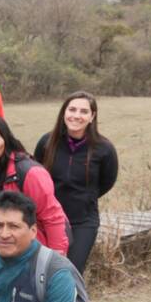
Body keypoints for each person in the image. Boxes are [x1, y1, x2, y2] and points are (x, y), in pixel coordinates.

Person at [0, 114, 69, 255]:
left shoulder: (30, 173)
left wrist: (55, 260)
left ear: (6, 139)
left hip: (36, 254)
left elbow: (52, 217)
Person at [34, 92, 119, 273]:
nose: (76, 115)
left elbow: (107, 181)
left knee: (69, 273)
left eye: (83, 111)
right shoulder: (46, 142)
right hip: (47, 219)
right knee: (43, 272)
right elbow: (36, 177)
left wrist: (85, 197)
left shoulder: (104, 149)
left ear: (92, 116)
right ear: (64, 112)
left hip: (83, 221)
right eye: (72, 109)